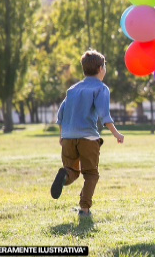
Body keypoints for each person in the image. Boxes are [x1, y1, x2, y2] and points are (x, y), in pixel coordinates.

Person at [50, 49, 125, 217]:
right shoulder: (101, 88)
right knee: (90, 174)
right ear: (100, 69)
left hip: (68, 137)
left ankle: (64, 175)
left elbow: (60, 114)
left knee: (72, 171)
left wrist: (61, 135)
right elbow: (104, 115)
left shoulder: (73, 89)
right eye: (104, 66)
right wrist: (117, 134)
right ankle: (84, 209)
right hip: (88, 138)